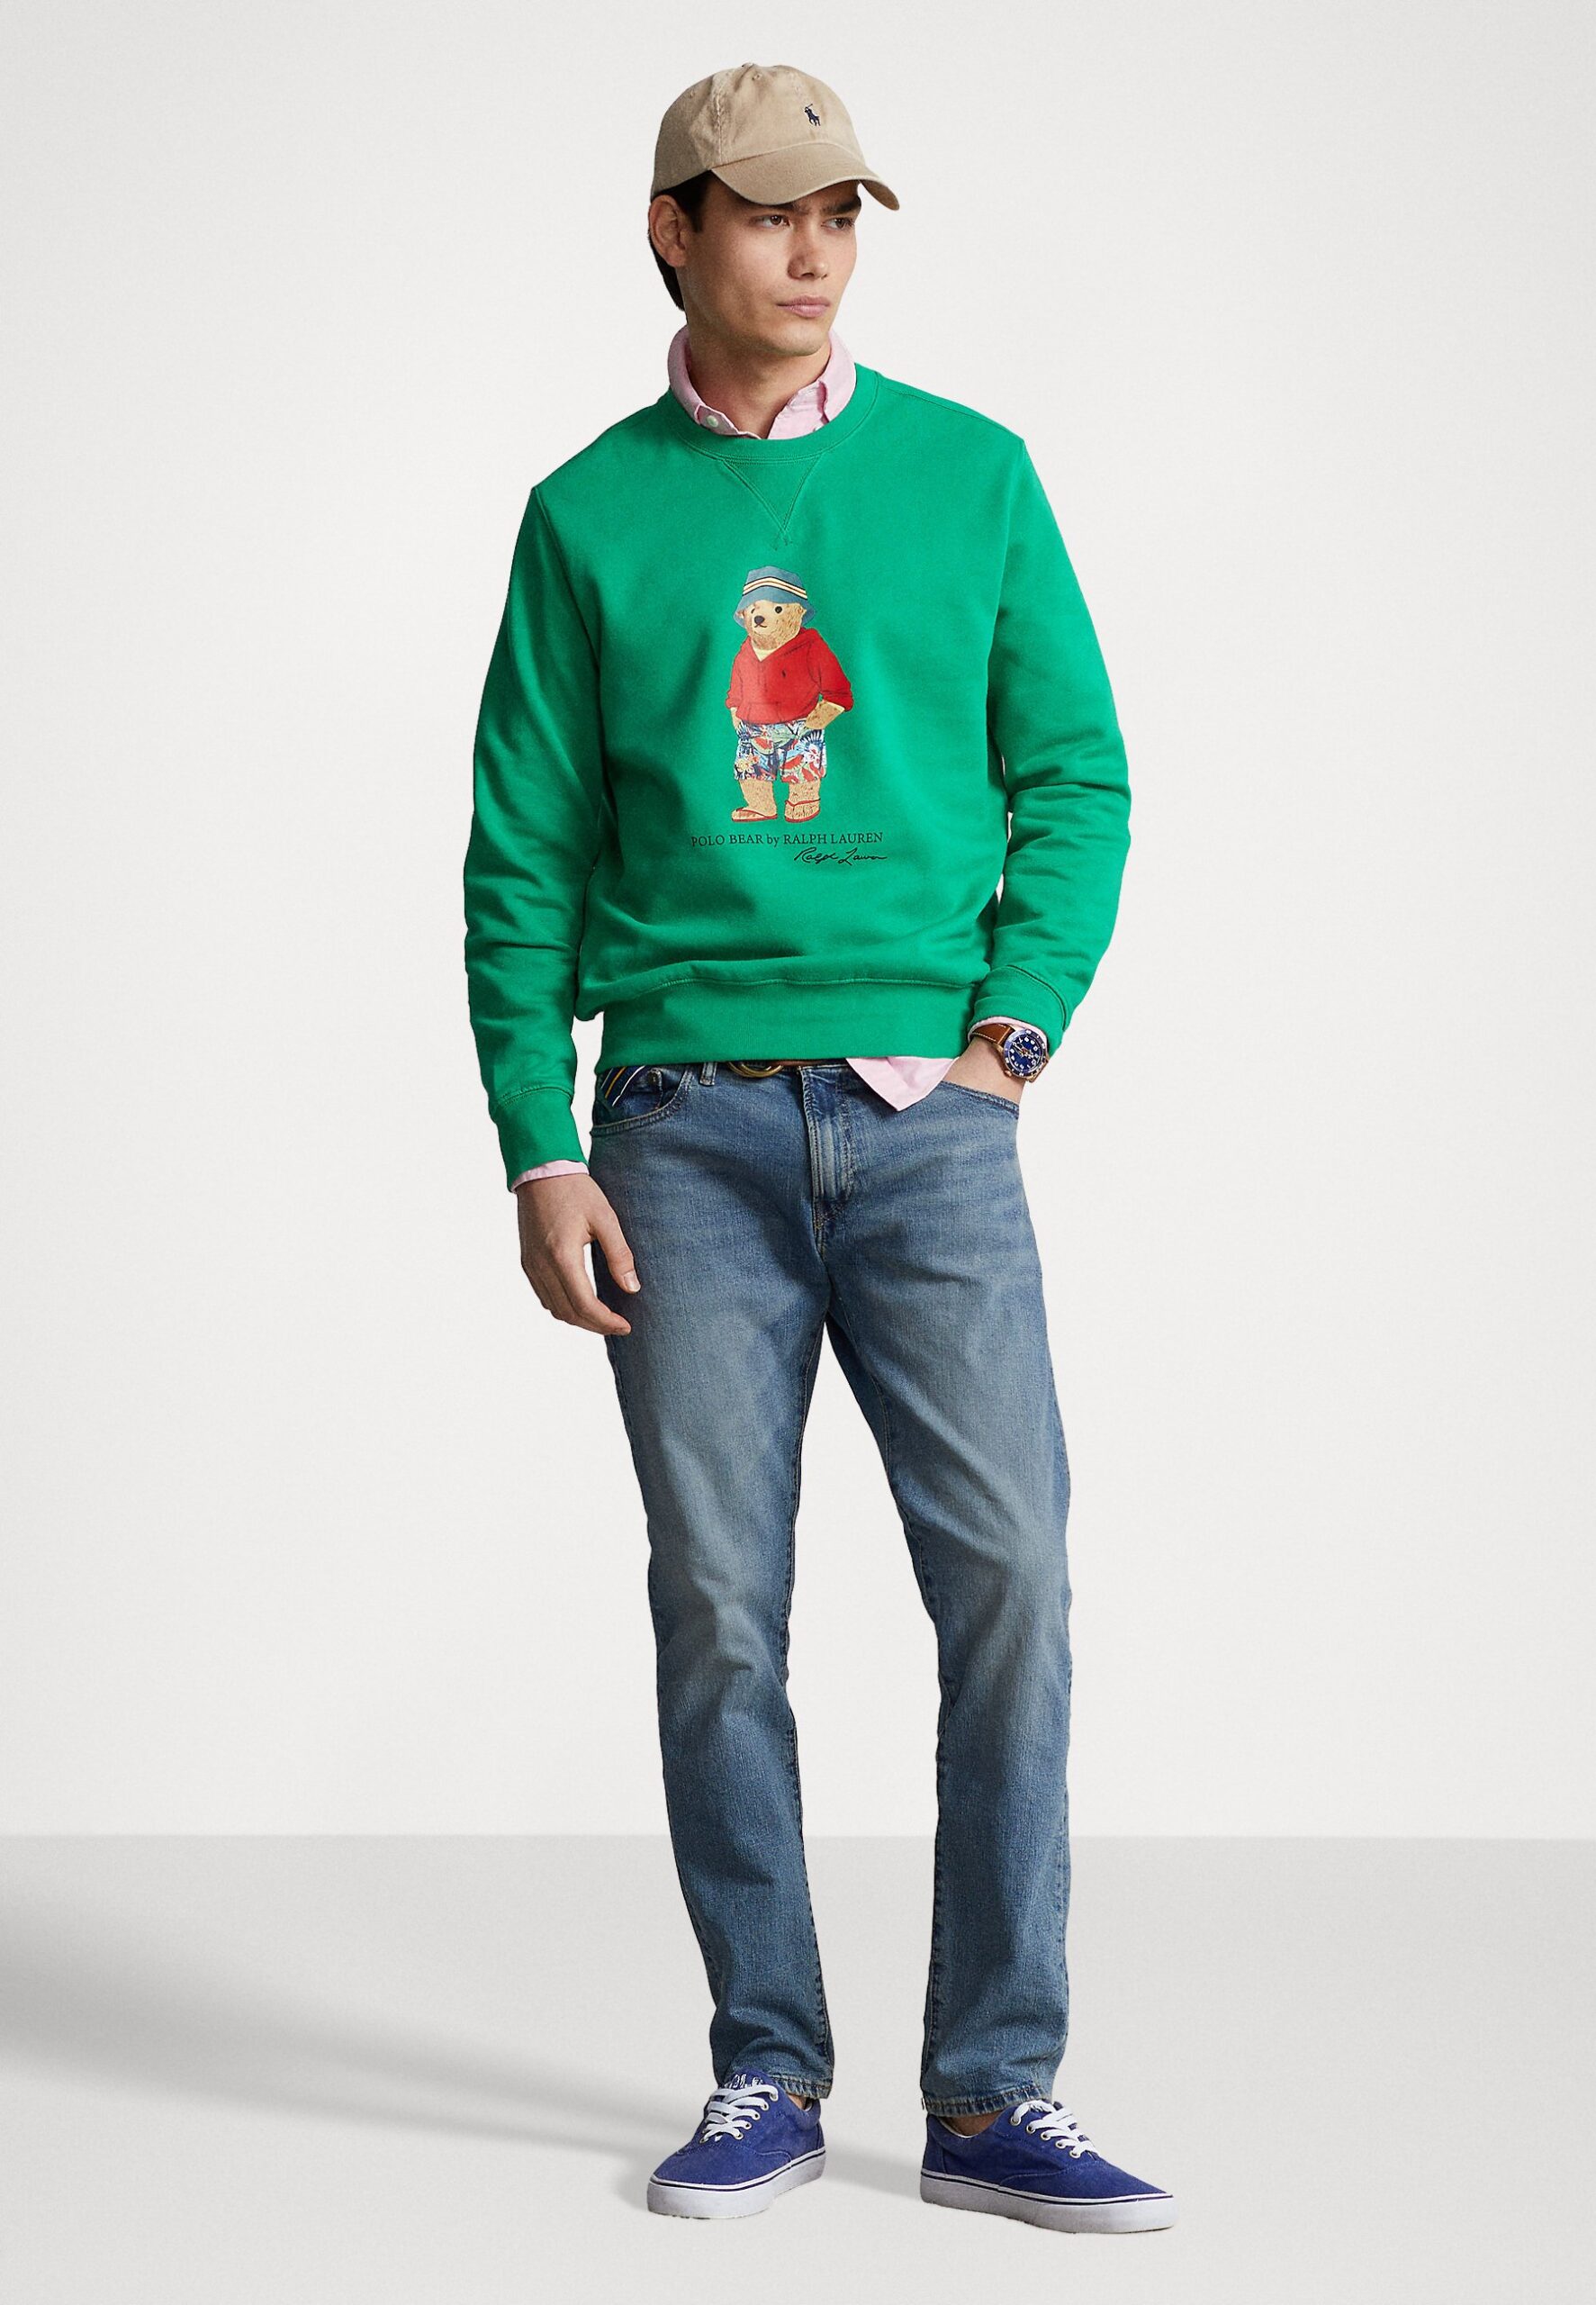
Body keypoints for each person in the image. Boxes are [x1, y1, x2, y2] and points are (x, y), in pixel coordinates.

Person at [463, 59, 1174, 2235]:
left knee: (1013, 1579)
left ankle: (992, 2090)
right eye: (765, 211)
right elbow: (520, 852)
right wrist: (537, 1143)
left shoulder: (970, 475)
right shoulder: (588, 514)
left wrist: (1009, 1032)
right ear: (670, 229)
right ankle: (765, 2059)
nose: (810, 249)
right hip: (675, 1132)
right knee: (718, 1606)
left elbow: (1076, 772)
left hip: (924, 1127)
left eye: (838, 211)